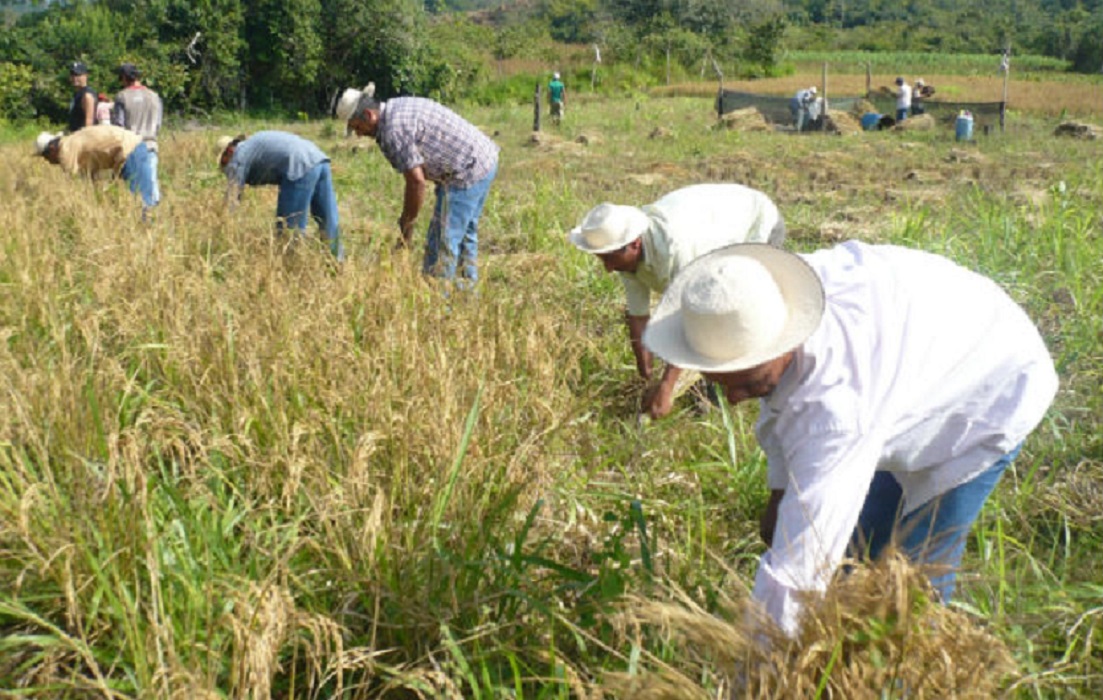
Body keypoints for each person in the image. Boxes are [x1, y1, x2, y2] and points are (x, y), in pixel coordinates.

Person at [641, 241, 1058, 637]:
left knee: (908, 589)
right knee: (854, 555)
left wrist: (757, 679)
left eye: (749, 383)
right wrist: (781, 493)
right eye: (719, 384)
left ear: (785, 343)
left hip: (989, 386)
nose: (732, 400)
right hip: (917, 350)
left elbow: (795, 578)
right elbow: (783, 405)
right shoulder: (756, 298)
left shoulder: (836, 410)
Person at [569, 184, 786, 419]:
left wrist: (666, 388)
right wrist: (646, 377)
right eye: (602, 259)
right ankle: (707, 382)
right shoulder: (623, 253)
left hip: (755, 224)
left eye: (610, 259)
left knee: (734, 308)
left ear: (635, 244)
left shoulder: (678, 250)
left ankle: (745, 387)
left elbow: (689, 321)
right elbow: (638, 316)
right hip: (715, 226)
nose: (609, 269)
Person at [336, 85, 499, 284]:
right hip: (483, 157)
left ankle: (439, 304)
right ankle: (467, 295)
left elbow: (416, 182)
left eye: (357, 127)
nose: (359, 135)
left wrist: (407, 225)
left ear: (369, 115)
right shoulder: (396, 107)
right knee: (464, 235)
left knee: (441, 243)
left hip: (467, 169)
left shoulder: (393, 130)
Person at [217, 131, 344, 260]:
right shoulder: (250, 145)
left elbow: (232, 198)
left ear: (228, 152)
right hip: (319, 159)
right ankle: (337, 262)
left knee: (288, 227)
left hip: (298, 166)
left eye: (222, 162)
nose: (224, 168)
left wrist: (221, 229)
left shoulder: (237, 158)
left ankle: (291, 266)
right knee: (327, 219)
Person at [35, 124, 157, 218]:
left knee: (142, 202)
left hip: (130, 151)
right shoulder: (71, 141)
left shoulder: (65, 151)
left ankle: (149, 232)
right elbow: (91, 177)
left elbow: (75, 188)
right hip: (131, 149)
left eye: (46, 157)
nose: (48, 162)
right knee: (139, 201)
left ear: (51, 149)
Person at [112, 63, 163, 206]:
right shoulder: (154, 96)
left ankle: (142, 220)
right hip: (151, 145)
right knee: (151, 186)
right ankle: (154, 219)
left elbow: (119, 127)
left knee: (135, 190)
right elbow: (158, 124)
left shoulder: (122, 97)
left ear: (123, 78)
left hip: (131, 147)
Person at [67, 61, 96, 133]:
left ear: (85, 75)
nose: (74, 78)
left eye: (78, 75)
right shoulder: (77, 94)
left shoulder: (87, 95)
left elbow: (89, 121)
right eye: (72, 75)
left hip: (82, 138)